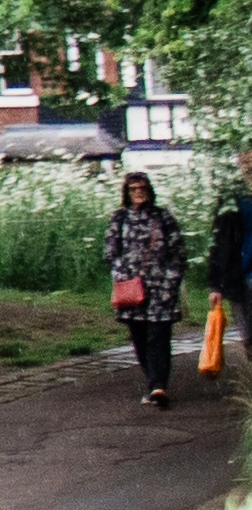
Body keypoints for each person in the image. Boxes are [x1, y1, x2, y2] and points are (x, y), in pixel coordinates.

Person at [102, 173, 187, 405]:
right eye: (133, 189)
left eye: (142, 188)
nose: (139, 192)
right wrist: (121, 275)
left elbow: (178, 253)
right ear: (126, 193)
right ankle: (152, 381)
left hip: (161, 290)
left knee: (159, 337)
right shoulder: (119, 218)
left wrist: (171, 281)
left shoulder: (163, 217)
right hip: (132, 291)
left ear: (149, 190)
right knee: (139, 338)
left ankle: (158, 386)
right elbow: (110, 252)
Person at [206, 173, 247, 388]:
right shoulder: (231, 197)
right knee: (248, 334)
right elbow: (219, 243)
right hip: (240, 277)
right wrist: (216, 284)